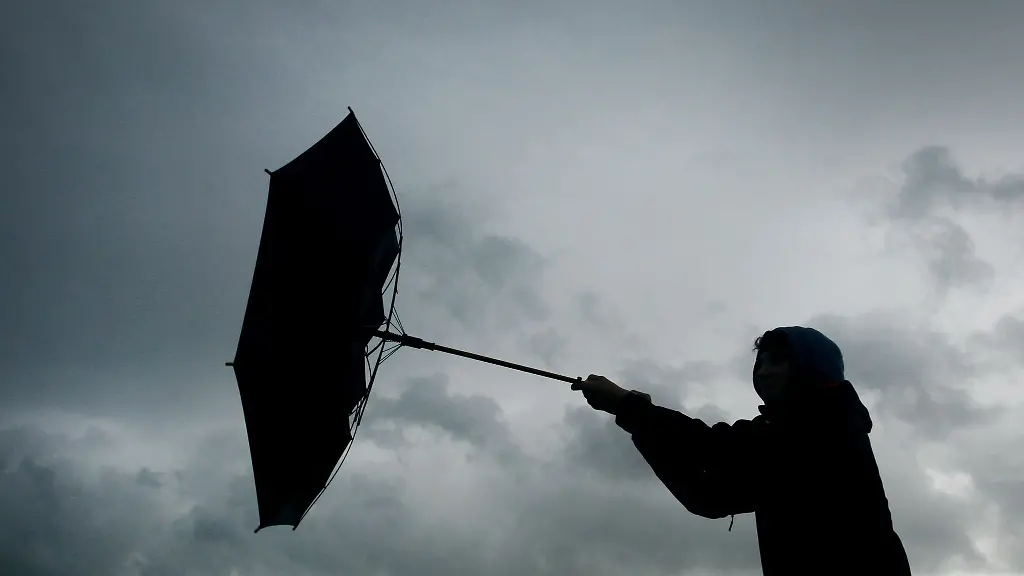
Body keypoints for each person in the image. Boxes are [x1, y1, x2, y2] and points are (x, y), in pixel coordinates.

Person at [572, 326, 912, 575]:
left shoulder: (828, 422)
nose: (763, 371)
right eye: (759, 364)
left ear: (813, 367)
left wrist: (628, 407)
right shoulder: (785, 434)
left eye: (777, 361)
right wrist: (640, 424)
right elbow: (706, 497)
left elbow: (713, 447)